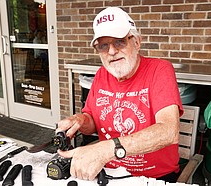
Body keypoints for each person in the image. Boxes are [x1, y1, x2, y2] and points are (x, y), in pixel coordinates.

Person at [56, 7, 183, 182]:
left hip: (153, 178)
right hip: (108, 173)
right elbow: (92, 120)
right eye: (103, 46)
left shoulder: (160, 70)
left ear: (136, 42)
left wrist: (105, 150)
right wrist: (79, 121)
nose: (111, 51)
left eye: (119, 42)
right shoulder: (102, 74)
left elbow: (169, 131)